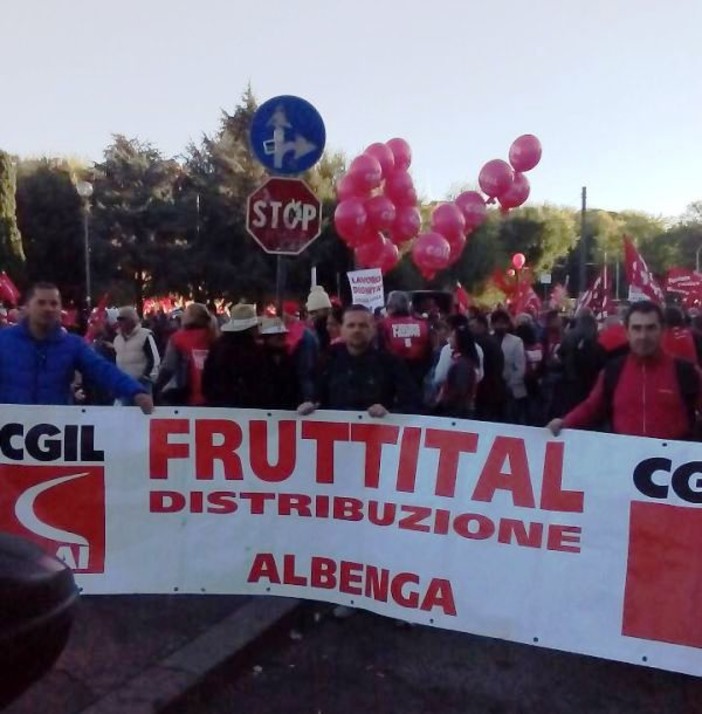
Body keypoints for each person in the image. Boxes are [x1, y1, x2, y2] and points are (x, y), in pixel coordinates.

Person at [547, 301, 700, 440]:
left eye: (650, 328)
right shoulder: (613, 371)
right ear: (627, 332)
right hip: (624, 464)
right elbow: (591, 407)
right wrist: (564, 422)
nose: (643, 336)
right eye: (637, 328)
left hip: (675, 464)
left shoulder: (686, 371)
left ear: (662, 331)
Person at [0, 282, 153, 412]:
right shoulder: (4, 340)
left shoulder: (72, 344)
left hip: (55, 431)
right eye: (41, 303)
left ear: (60, 309)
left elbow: (102, 370)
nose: (48, 308)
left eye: (54, 304)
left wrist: (135, 391)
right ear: (27, 307)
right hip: (9, 430)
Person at [297, 304, 419, 417]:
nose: (357, 330)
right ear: (342, 330)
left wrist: (389, 413)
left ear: (373, 329)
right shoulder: (328, 360)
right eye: (351, 325)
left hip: (377, 434)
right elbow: (317, 395)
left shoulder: (392, 363)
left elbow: (412, 404)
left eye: (363, 325)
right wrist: (310, 404)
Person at [201, 304, 266, 408]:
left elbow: (207, 380)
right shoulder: (253, 351)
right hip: (246, 408)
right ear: (251, 328)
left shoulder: (218, 346)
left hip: (217, 406)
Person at [155, 303, 218, 406]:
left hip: (188, 396)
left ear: (190, 317)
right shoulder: (215, 335)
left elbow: (168, 368)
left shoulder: (177, 338)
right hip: (214, 396)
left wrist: (157, 388)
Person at [377, 291, 431, 389]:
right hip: (418, 374)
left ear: (390, 306)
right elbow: (429, 350)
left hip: (392, 376)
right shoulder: (423, 323)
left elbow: (380, 349)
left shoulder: (383, 325)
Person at [432, 314, 480, 419]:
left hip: (457, 412)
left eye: (453, 337)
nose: (450, 339)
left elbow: (459, 390)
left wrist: (445, 401)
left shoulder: (462, 364)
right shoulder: (462, 360)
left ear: (460, 340)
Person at [113, 306, 160, 403]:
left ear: (132, 320)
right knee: (126, 414)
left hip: (142, 384)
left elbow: (154, 359)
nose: (120, 322)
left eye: (123, 319)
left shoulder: (145, 335)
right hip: (124, 384)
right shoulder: (117, 339)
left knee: (143, 415)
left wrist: (145, 377)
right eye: (119, 319)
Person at [491, 309, 527, 424]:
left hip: (510, 391)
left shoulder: (516, 341)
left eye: (503, 323)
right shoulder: (488, 339)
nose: (501, 326)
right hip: (491, 390)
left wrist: (510, 384)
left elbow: (520, 367)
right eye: (498, 323)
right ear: (492, 324)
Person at [468, 313, 506, 422]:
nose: (470, 330)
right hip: (495, 389)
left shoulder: (481, 343)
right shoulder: (493, 341)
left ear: (482, 325)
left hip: (485, 391)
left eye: (472, 326)